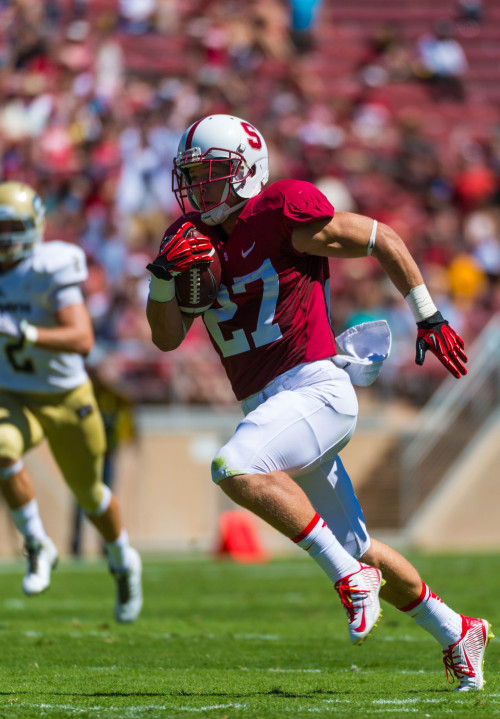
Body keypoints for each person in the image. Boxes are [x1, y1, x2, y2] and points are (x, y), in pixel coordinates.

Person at [146, 114, 492, 691]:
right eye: (193, 176)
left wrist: (428, 315)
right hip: (269, 408)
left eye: (213, 174)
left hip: (315, 390)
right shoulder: (190, 239)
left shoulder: (281, 210)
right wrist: (164, 276)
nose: (199, 188)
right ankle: (457, 629)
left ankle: (347, 579)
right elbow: (165, 335)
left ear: (247, 171)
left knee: (234, 466)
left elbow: (383, 238)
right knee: (358, 545)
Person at [0, 181, 143, 623]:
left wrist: (25, 333)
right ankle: (38, 544)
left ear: (36, 227)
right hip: (14, 394)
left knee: (91, 495)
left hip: (66, 397)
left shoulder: (49, 267)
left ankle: (122, 559)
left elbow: (81, 339)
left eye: (15, 228)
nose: (6, 238)